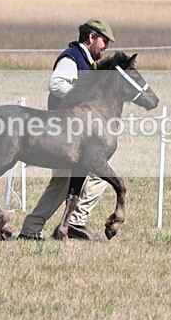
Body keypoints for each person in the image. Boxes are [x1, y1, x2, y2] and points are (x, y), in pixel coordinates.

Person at [18, 17, 115, 241]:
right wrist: (85, 99)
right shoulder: (72, 59)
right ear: (91, 37)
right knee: (99, 176)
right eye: (104, 41)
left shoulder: (88, 61)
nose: (107, 47)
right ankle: (75, 223)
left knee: (61, 183)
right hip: (64, 135)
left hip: (72, 135)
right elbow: (56, 84)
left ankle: (31, 229)